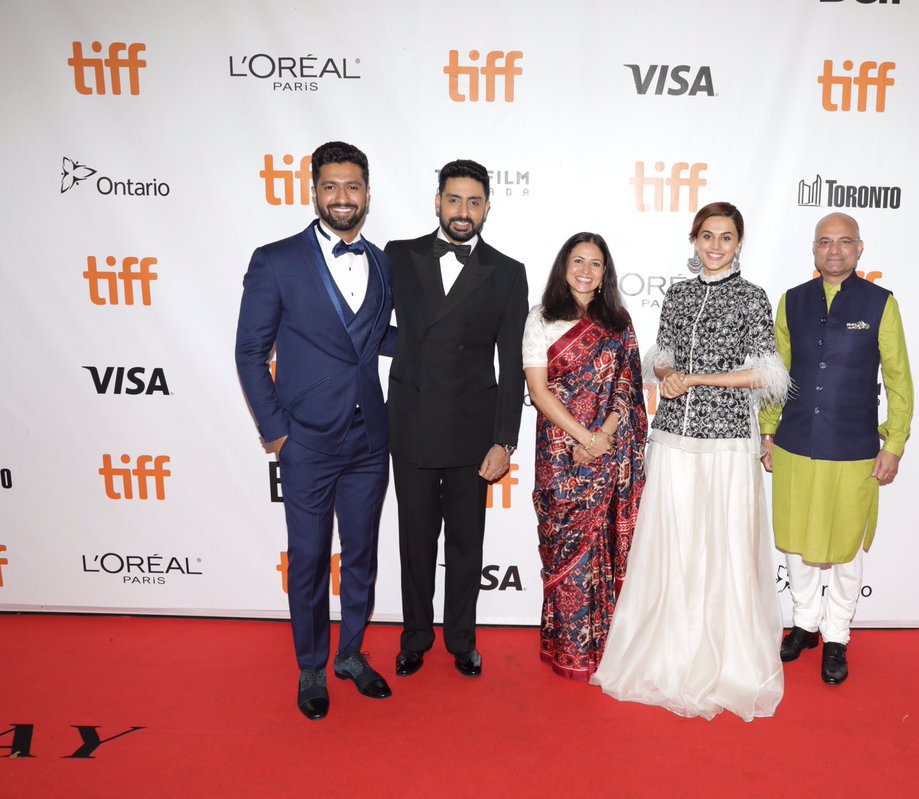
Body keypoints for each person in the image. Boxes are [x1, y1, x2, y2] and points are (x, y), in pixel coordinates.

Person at [591, 202, 791, 721]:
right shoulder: (678, 294)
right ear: (694, 239)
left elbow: (766, 376)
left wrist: (697, 380)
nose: (716, 246)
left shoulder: (752, 297)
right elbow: (662, 356)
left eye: (726, 237)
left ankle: (727, 658)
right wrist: (666, 371)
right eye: (707, 235)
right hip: (675, 436)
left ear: (740, 243)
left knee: (723, 542)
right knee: (673, 538)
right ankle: (669, 647)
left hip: (726, 441)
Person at [235, 141, 395, 720]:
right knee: (307, 559)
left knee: (361, 556)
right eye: (331, 186)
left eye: (353, 187)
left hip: (370, 443)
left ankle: (350, 653)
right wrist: (276, 432)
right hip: (305, 440)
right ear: (314, 192)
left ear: (368, 194)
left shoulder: (381, 261)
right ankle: (311, 666)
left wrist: (451, 346)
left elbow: (376, 341)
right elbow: (250, 352)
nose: (343, 198)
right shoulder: (275, 260)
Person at [386, 159, 528, 679]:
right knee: (415, 542)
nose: (462, 211)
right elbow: (372, 327)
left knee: (467, 545)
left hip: (472, 432)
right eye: (454, 200)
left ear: (487, 207)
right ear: (438, 202)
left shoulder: (508, 272)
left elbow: (511, 363)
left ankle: (462, 639)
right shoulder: (399, 256)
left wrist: (504, 440)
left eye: (473, 202)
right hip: (413, 424)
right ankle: (415, 637)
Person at [760, 212, 913, 686]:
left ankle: (837, 634)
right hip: (795, 441)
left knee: (845, 544)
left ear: (860, 248)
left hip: (855, 445)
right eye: (825, 242)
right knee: (797, 537)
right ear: (813, 249)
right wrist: (767, 431)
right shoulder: (792, 302)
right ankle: (804, 622)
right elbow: (775, 374)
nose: (834, 250)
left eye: (845, 242)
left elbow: (899, 379)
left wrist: (896, 443)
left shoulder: (881, 303)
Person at [523, 233, 648, 680]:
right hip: (559, 452)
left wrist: (604, 435)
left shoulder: (618, 321)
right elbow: (538, 391)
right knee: (563, 548)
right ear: (564, 266)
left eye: (596, 264)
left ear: (605, 273)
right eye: (578, 261)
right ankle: (567, 652)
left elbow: (627, 386)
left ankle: (609, 652)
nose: (586, 270)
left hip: (609, 451)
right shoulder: (541, 319)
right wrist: (583, 437)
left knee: (609, 548)